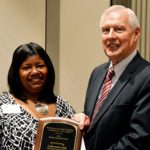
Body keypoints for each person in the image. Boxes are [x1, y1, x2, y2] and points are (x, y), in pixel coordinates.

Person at [72, 5, 150, 150]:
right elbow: (100, 118)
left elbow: (139, 139)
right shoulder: (98, 73)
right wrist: (84, 119)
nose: (111, 36)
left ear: (136, 33)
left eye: (119, 29)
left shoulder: (146, 76)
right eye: (106, 30)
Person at [0, 42, 76, 149]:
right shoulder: (3, 105)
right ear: (16, 73)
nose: (35, 72)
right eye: (26, 67)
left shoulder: (63, 105)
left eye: (40, 66)